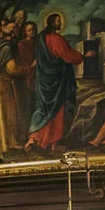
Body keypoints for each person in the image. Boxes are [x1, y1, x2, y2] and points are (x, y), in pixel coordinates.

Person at [25, 11, 84, 152]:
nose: (60, 23)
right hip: (56, 81)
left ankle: (33, 138)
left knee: (42, 108)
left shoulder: (40, 38)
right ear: (52, 22)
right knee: (56, 110)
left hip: (42, 80)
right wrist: (83, 56)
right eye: (58, 21)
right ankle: (52, 143)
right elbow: (69, 57)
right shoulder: (56, 39)